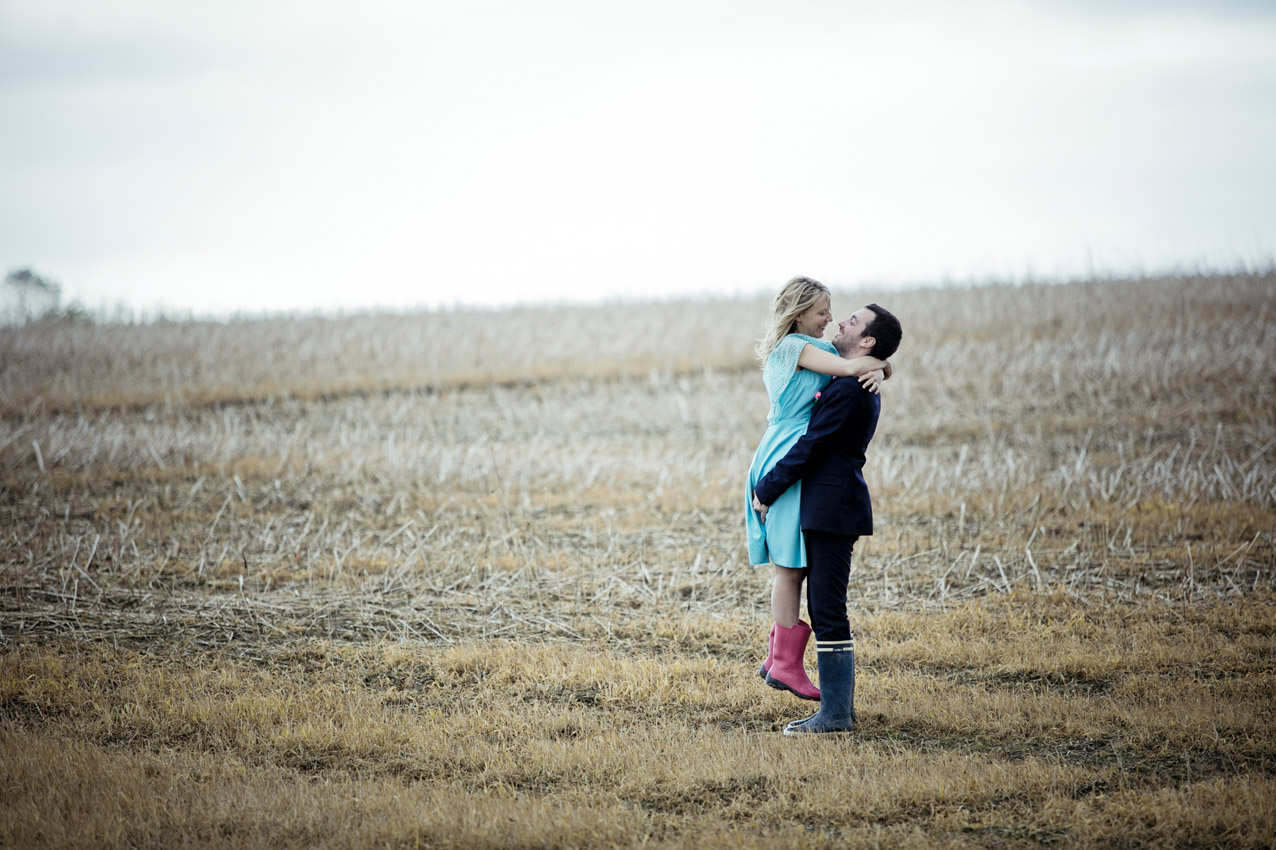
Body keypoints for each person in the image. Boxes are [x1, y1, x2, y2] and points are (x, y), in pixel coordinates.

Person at [753, 302, 902, 734]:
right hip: (830, 507)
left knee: (829, 610)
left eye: (852, 321)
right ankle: (835, 710)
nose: (841, 321)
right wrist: (883, 367)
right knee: (825, 606)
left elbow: (812, 446)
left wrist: (767, 488)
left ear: (867, 341)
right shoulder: (855, 379)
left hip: (832, 508)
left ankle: (835, 714)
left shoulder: (851, 388)